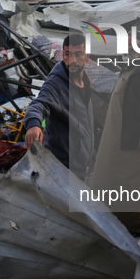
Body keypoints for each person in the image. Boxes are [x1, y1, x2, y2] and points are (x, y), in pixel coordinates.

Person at [91, 30, 140, 234]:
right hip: (116, 138)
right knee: (107, 180)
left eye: (130, 44)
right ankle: (107, 222)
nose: (125, 48)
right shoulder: (130, 68)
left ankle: (131, 228)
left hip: (136, 140)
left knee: (130, 185)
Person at [23, 33, 94, 179]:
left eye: (78, 54)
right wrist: (33, 124)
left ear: (87, 56)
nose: (73, 60)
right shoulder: (56, 84)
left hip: (79, 165)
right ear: (63, 55)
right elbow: (39, 103)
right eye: (68, 54)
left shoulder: (85, 83)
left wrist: (86, 158)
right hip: (60, 167)